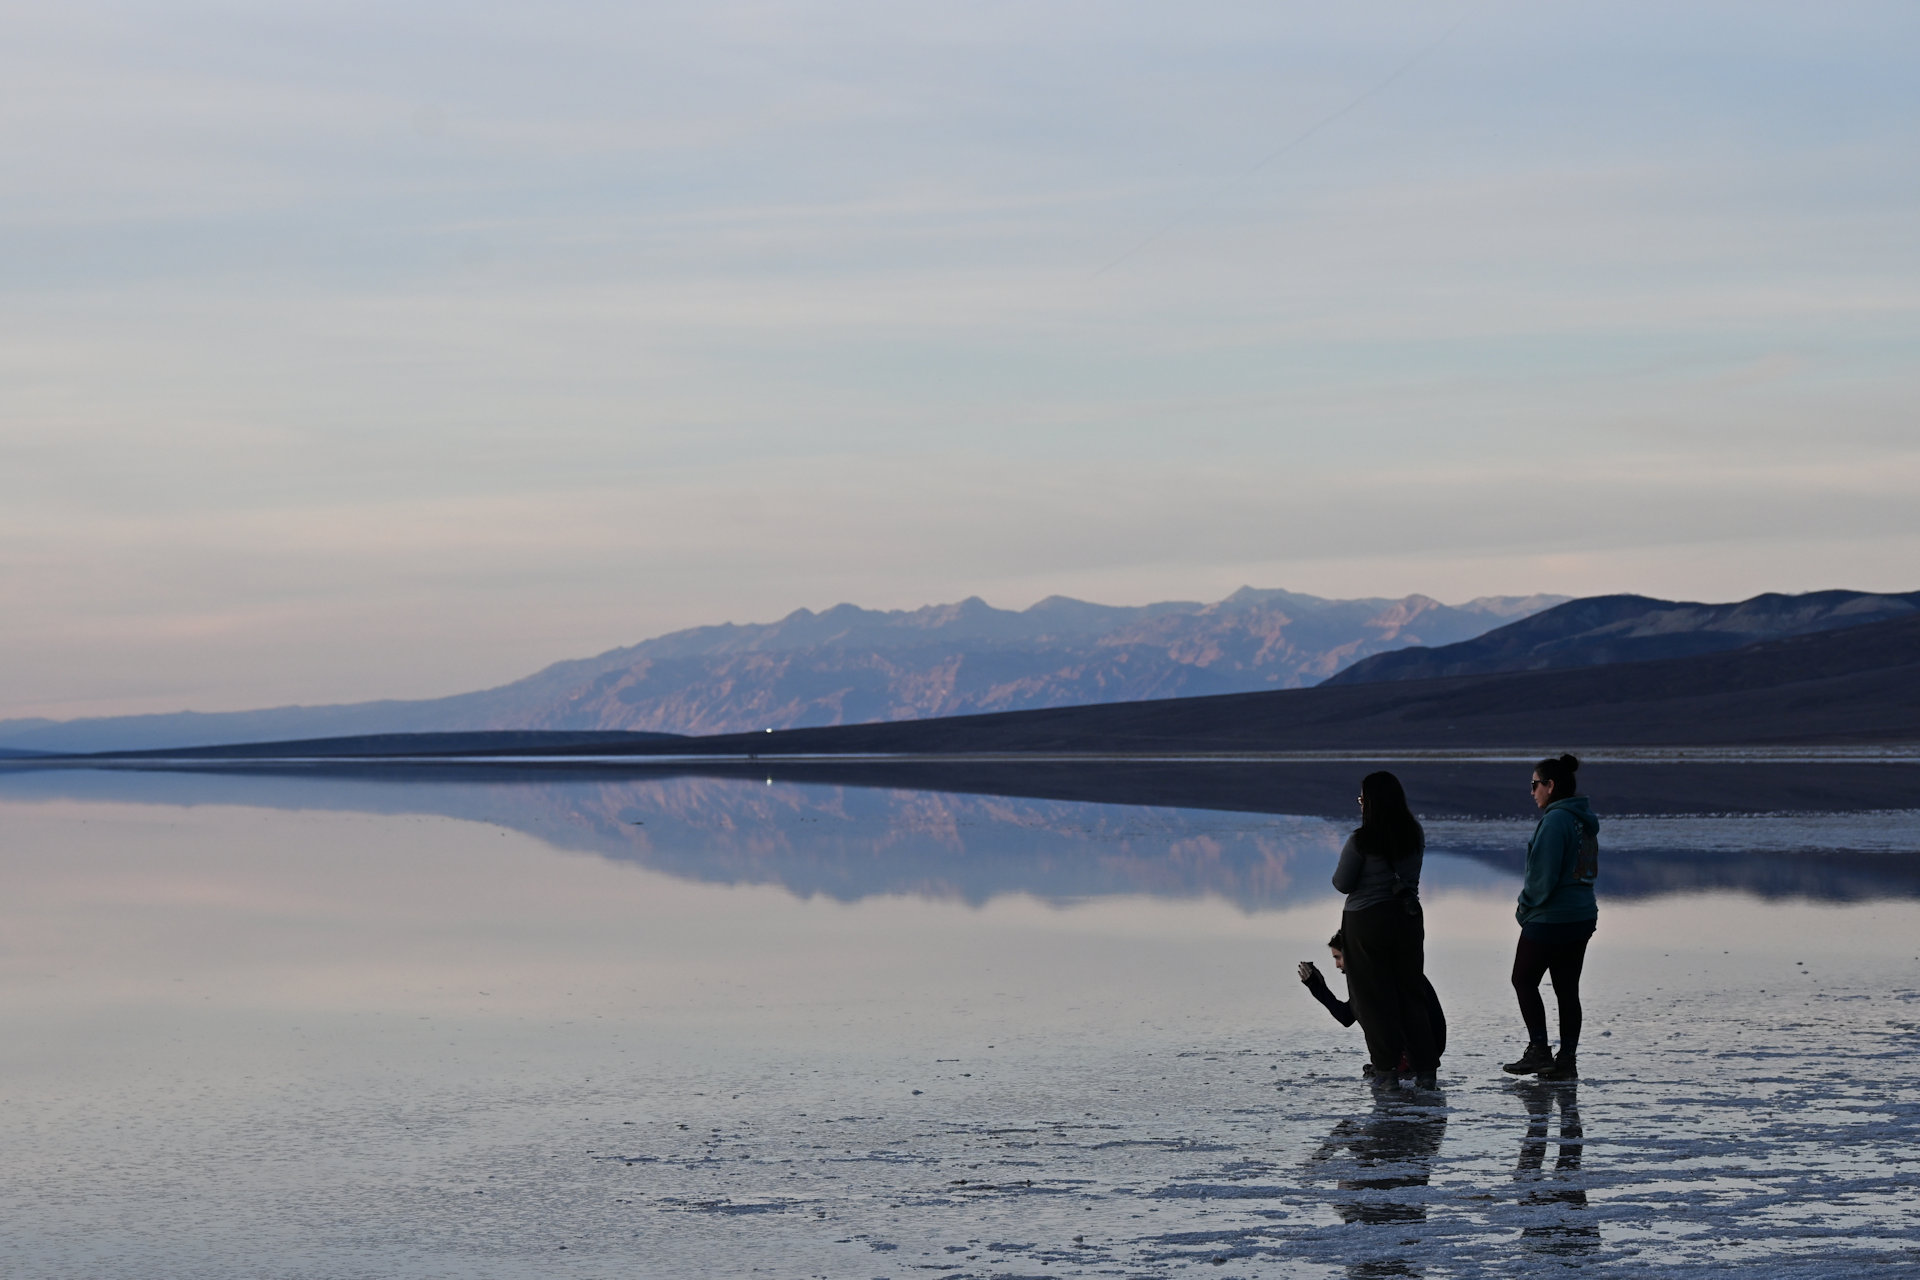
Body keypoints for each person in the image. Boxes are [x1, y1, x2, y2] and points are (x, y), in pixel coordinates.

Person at [1331, 771, 1440, 1089]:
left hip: (1365, 924)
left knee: (1373, 999)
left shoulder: (1360, 840)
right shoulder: (1414, 834)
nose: (1360, 805)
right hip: (1407, 920)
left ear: (1371, 803)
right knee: (1410, 994)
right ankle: (1426, 1069)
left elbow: (1342, 883)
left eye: (1362, 799)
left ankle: (1387, 1070)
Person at [1504, 753, 1600, 1081]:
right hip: (1582, 915)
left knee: (1523, 979)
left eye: (1535, 785)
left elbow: (1542, 877)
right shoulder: (1581, 819)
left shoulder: (1556, 821)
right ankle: (1567, 1060)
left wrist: (1524, 909)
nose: (1532, 792)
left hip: (1551, 918)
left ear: (1550, 785)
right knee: (1566, 988)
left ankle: (1539, 1051)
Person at [1299, 928, 1447, 1076]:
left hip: (1416, 1052)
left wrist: (1316, 987)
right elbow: (1349, 1014)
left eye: (1338, 957)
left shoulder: (1375, 977)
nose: (1337, 965)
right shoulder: (1387, 968)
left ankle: (1395, 1066)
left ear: (1351, 955)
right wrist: (1318, 987)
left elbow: (1346, 1017)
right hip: (1427, 1050)